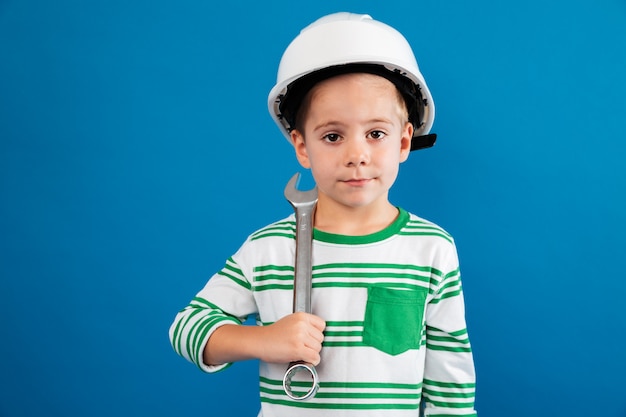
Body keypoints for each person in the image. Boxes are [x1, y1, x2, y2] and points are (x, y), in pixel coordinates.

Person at [170, 12, 477, 417]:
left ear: (404, 141)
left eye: (376, 133)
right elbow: (187, 329)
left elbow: (450, 384)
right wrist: (264, 340)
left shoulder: (432, 248)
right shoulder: (269, 249)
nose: (356, 155)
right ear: (302, 147)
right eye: (333, 136)